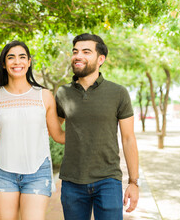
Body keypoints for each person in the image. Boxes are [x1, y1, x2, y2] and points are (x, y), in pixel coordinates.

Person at [0, 40, 65, 220]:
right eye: (11, 58)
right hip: (3, 173)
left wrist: (86, 129)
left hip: (38, 172)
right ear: (4, 65)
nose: (17, 62)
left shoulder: (44, 96)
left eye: (22, 57)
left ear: (29, 62)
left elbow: (58, 135)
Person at [55, 33, 139, 220]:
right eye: (75, 51)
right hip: (72, 182)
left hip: (108, 180)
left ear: (101, 59)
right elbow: (55, 130)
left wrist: (134, 182)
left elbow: (128, 138)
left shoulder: (118, 92)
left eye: (86, 51)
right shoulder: (63, 93)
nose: (78, 56)